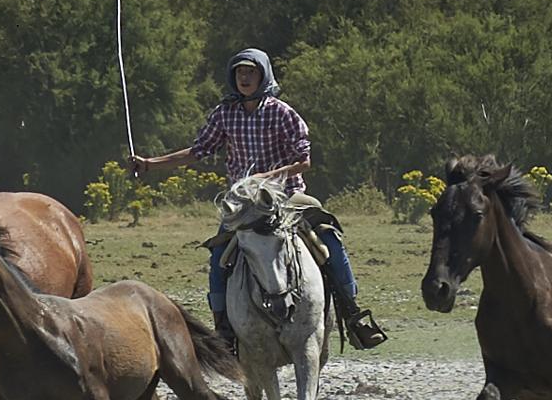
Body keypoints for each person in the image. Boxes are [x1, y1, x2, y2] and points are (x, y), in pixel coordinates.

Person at [130, 47, 386, 350]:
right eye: (240, 72)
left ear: (263, 74)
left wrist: (268, 177)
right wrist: (150, 164)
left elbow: (304, 161)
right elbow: (197, 151)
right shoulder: (225, 114)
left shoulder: (282, 112)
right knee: (218, 257)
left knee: (328, 239)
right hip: (243, 206)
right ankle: (224, 329)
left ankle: (352, 313)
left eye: (251, 71)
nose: (245, 77)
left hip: (288, 197)